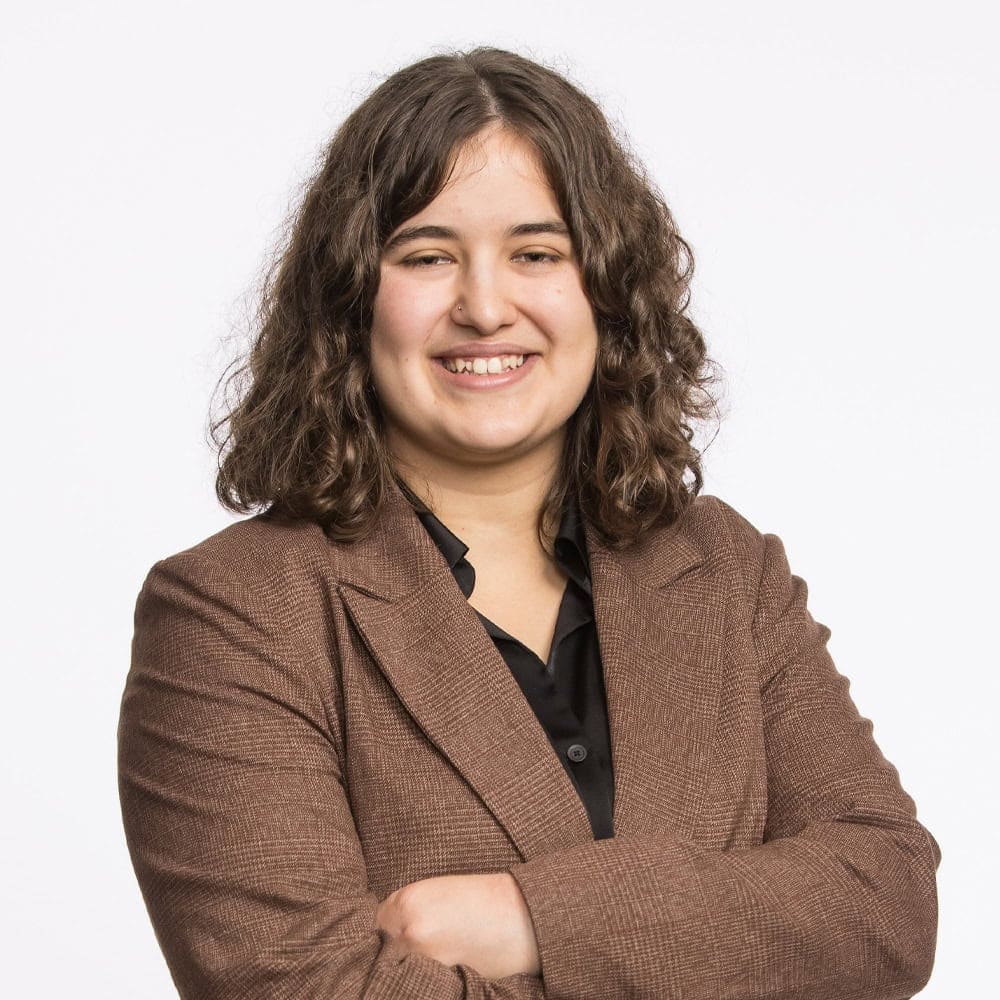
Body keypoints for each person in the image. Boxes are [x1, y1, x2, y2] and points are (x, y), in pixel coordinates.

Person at [117, 46, 941, 999]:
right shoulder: (232, 611)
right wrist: (734, 941)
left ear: (606, 289)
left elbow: (887, 906)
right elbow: (301, 987)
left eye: (537, 254)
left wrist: (530, 918)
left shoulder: (724, 566)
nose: (484, 307)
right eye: (427, 257)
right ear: (350, 300)